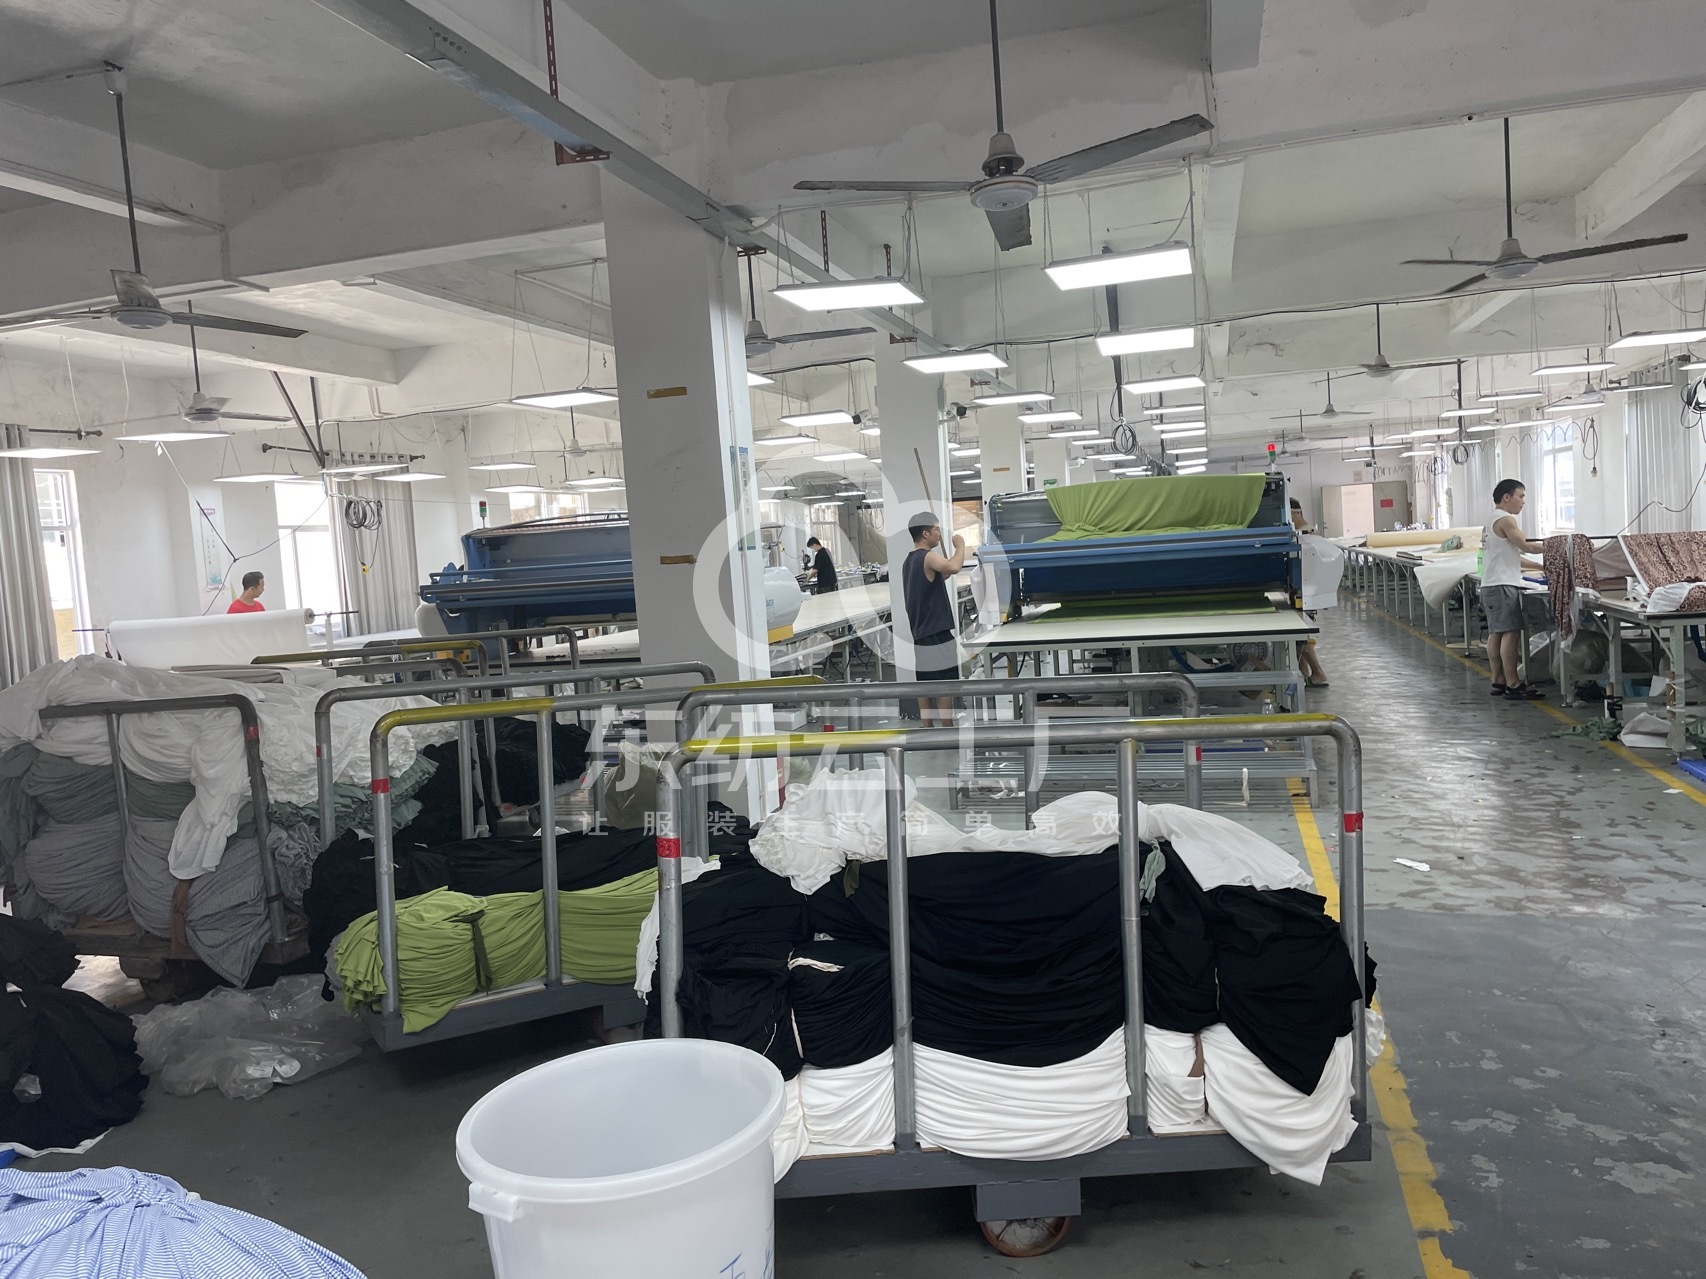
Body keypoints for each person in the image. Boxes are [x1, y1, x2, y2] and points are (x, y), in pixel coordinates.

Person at [1483, 479, 1546, 699]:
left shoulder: (1491, 519)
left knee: (1497, 633)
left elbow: (1511, 556)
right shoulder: (1506, 519)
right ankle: (1513, 684)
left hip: (1492, 583)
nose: (1523, 502)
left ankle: (1498, 680)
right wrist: (1559, 545)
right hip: (1501, 585)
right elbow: (1525, 545)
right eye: (1521, 496)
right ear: (1507, 497)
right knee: (1511, 632)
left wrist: (1540, 566)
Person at [903, 516, 967, 728]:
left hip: (921, 633)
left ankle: (927, 727)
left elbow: (938, 577)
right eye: (936, 529)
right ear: (925, 533)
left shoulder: (909, 561)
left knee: (926, 683)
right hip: (936, 631)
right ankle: (947, 729)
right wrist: (960, 546)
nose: (939, 533)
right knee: (944, 684)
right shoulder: (927, 556)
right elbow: (954, 567)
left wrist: (946, 566)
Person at [1290, 498, 1330, 689]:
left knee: (1300, 635)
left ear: (1298, 513)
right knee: (1297, 635)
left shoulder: (1307, 533)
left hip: (1306, 589)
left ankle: (1318, 673)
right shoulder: (1300, 532)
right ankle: (1305, 673)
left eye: (1290, 514)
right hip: (1301, 587)